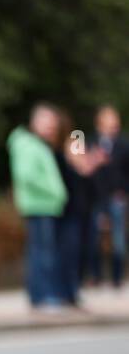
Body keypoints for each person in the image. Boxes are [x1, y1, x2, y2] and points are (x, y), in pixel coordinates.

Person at [7, 104, 68, 309]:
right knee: (41, 254)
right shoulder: (27, 145)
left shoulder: (37, 144)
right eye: (46, 122)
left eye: (53, 123)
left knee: (42, 252)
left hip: (45, 205)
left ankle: (42, 296)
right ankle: (42, 297)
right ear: (35, 122)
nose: (50, 127)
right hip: (39, 205)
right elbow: (27, 176)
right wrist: (54, 192)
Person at [54, 109, 104, 307]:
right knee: (71, 251)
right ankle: (70, 291)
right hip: (71, 211)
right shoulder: (60, 152)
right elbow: (78, 172)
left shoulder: (74, 147)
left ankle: (74, 289)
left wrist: (89, 165)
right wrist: (89, 163)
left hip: (84, 209)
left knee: (83, 249)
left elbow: (87, 176)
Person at [89, 105, 129, 289]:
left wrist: (123, 192)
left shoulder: (123, 144)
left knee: (118, 240)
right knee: (94, 239)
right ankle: (95, 277)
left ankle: (117, 278)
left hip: (116, 197)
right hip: (96, 198)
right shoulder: (89, 142)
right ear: (99, 123)